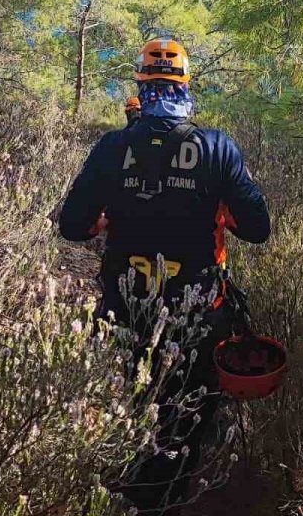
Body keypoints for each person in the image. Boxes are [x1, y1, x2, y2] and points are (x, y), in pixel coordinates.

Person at [59, 36, 270, 510]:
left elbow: (73, 225)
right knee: (183, 424)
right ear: (186, 84)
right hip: (197, 319)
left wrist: (111, 218)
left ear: (142, 83)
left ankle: (128, 491)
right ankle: (166, 497)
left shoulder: (113, 147)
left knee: (132, 407)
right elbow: (257, 229)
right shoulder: (217, 147)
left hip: (123, 311)